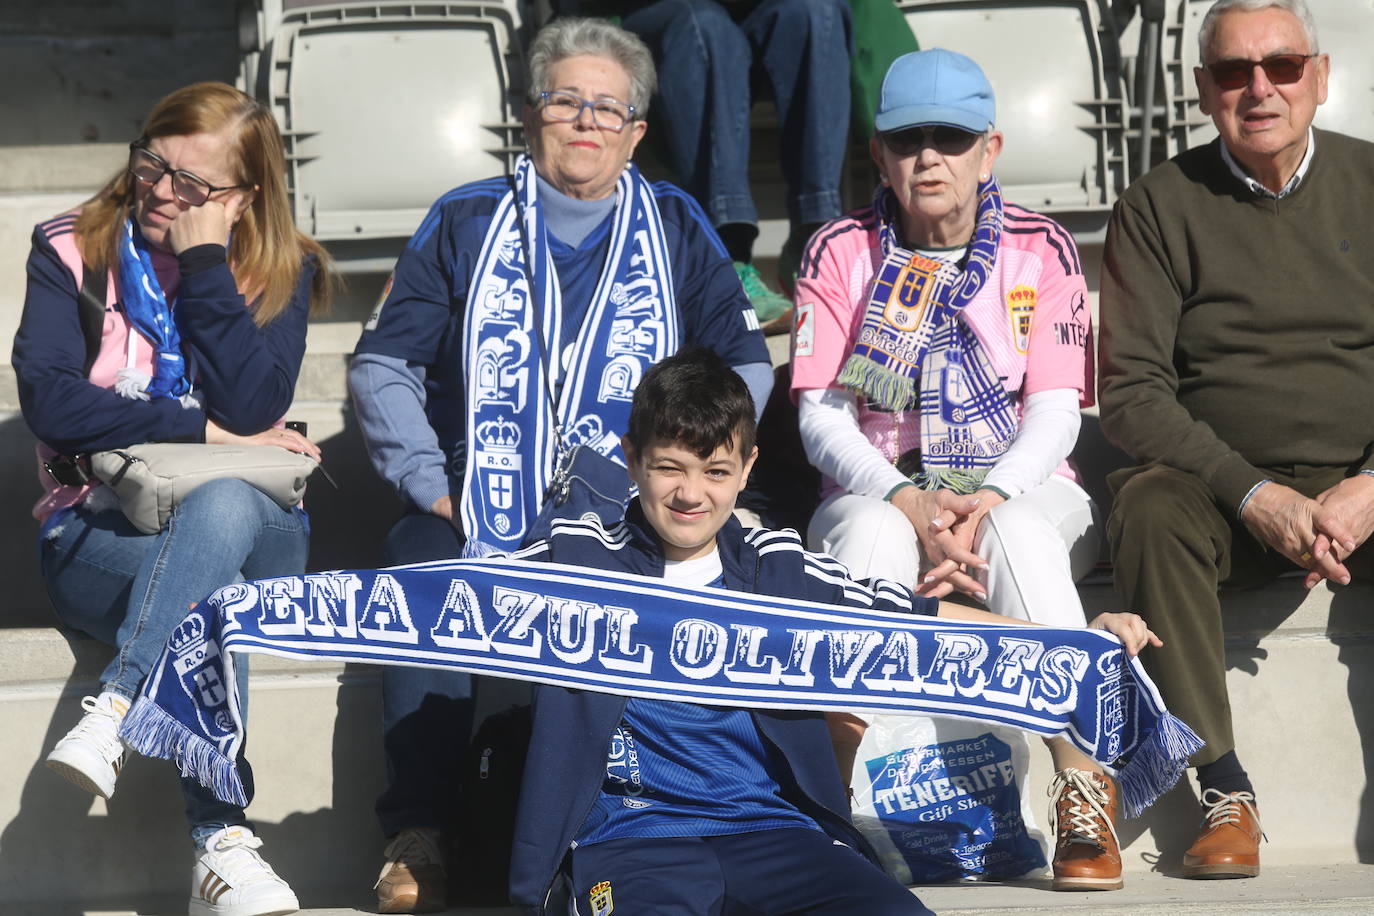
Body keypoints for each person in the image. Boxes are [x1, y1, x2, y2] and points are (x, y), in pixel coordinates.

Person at [347, 17, 771, 913]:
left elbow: (745, 369)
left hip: (633, 509)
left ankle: (666, 819)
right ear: (531, 114)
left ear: (637, 131)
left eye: (607, 107)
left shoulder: (676, 224)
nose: (585, 120)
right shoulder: (464, 218)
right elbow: (385, 364)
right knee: (418, 563)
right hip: (482, 499)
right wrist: (434, 482)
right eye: (565, 100)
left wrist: (688, 479)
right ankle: (417, 831)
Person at [508, 346, 1159, 914]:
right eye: (669, 467)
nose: (690, 494)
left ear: (748, 466)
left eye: (715, 471)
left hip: (775, 834)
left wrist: (1070, 641)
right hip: (633, 841)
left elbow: (916, 619)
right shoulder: (574, 560)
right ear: (631, 460)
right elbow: (446, 599)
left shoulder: (780, 570)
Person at [789, 49, 1112, 889]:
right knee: (865, 539)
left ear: (989, 150)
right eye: (907, 139)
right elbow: (819, 414)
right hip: (879, 485)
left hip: (1021, 482)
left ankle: (1081, 787)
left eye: (951, 138)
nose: (928, 156)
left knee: (1014, 532)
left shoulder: (1042, 248)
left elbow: (1054, 410)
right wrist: (904, 497)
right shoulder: (840, 249)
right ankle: (827, 804)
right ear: (879, 155)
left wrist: (985, 495)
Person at [11, 81, 331, 916]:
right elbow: (50, 400)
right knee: (213, 591)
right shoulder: (73, 248)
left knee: (224, 512)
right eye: (153, 164)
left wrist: (203, 262)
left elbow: (256, 406)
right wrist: (204, 434)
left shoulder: (282, 266)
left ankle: (116, 703)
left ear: (244, 198)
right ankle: (220, 844)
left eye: (193, 186)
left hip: (266, 534)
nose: (160, 191)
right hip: (94, 533)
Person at [1098, 0, 1371, 880]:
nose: (1260, 88)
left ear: (1319, 78)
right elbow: (1132, 393)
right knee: (1147, 503)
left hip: (1366, 485)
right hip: (1226, 499)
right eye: (1233, 72)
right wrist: (1254, 493)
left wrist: (1372, 488)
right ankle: (1223, 790)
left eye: (1283, 65)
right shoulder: (1156, 205)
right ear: (1203, 89)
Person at [588, 0, 853, 326]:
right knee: (707, 29)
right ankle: (727, 260)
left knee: (814, 12)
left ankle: (814, 244)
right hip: (663, 14)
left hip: (755, 13)